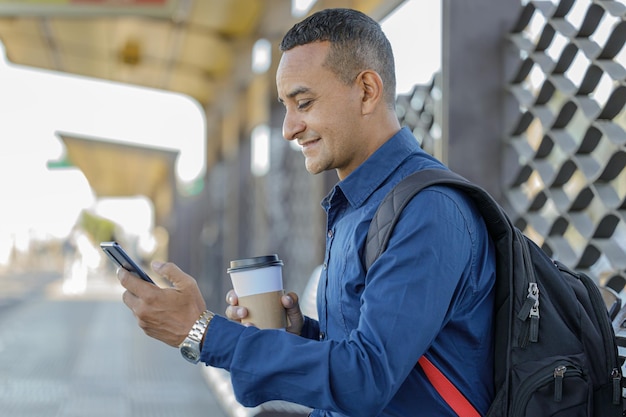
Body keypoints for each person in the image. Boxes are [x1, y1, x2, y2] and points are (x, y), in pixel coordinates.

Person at [118, 8, 496, 416]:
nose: (288, 128)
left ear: (367, 91)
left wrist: (204, 333)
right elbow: (370, 352)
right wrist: (299, 333)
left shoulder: (429, 211)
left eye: (304, 102)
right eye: (285, 106)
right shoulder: (360, 204)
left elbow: (366, 378)